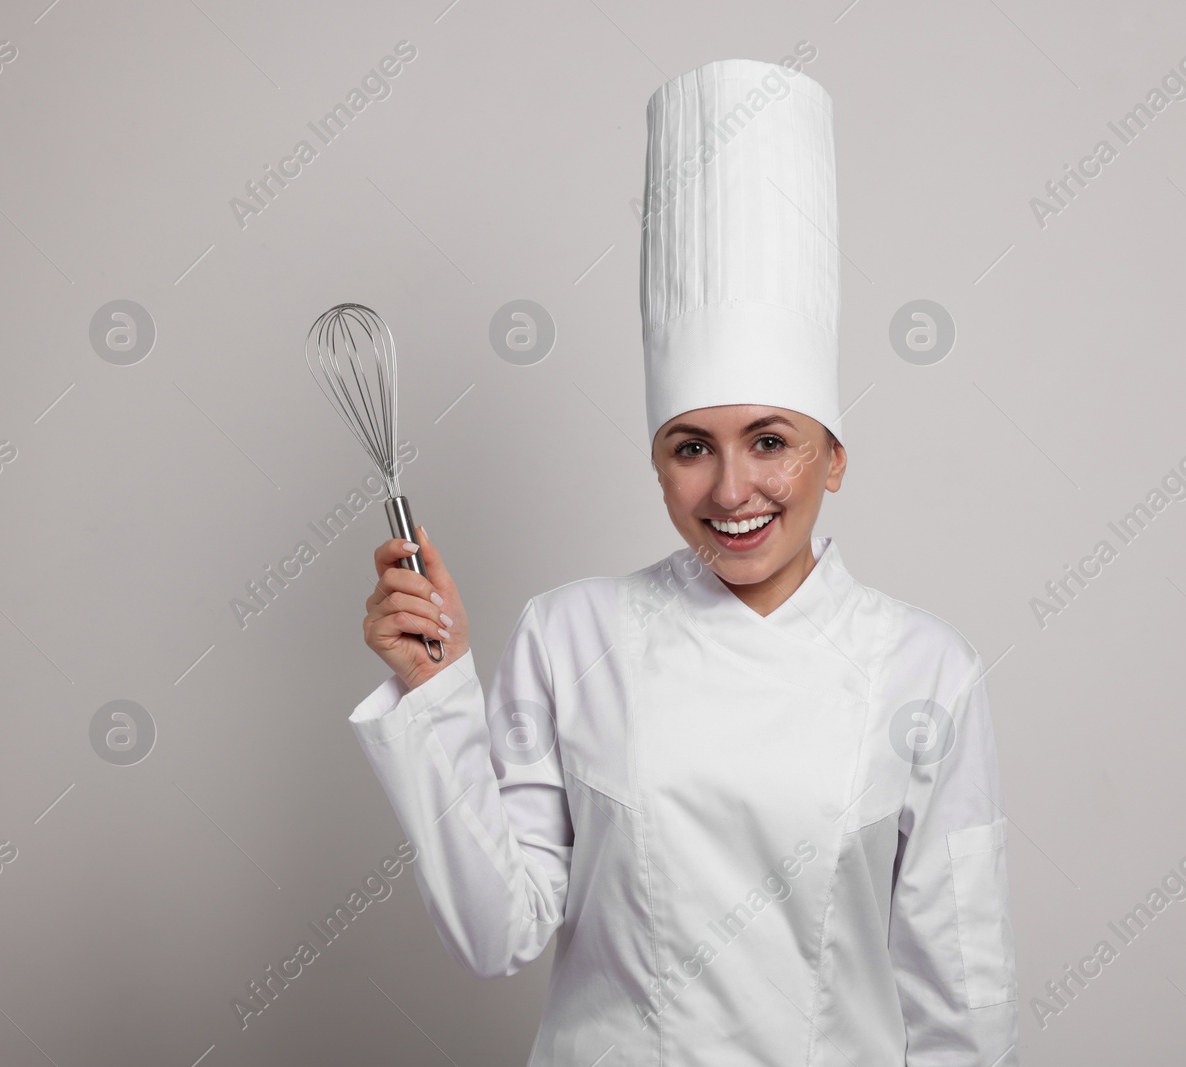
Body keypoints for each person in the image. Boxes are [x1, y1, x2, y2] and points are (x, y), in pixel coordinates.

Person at [348, 58, 1019, 1064]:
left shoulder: (926, 669)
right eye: (691, 446)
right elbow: (498, 933)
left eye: (769, 440)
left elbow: (963, 1004)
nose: (731, 490)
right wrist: (437, 691)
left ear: (833, 457)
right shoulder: (570, 635)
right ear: (658, 463)